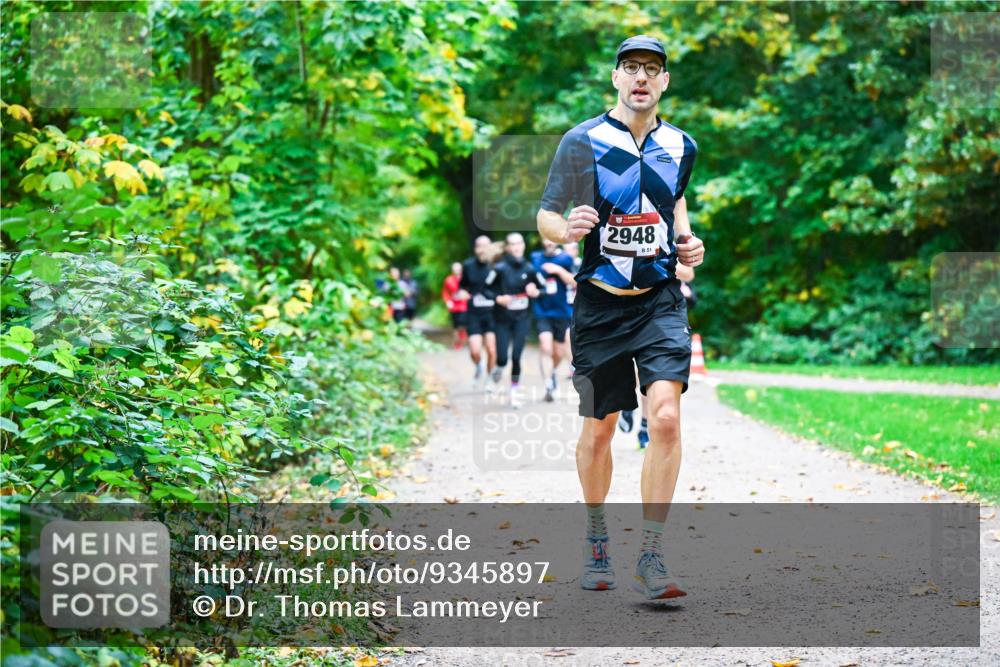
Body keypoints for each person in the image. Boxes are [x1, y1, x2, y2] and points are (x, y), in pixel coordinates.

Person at [536, 35, 705, 600]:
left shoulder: (682, 145)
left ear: (664, 83)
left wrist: (686, 241)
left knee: (666, 420)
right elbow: (545, 215)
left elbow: (674, 198)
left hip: (659, 298)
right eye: (631, 67)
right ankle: (596, 538)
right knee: (600, 429)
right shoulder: (581, 141)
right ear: (615, 77)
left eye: (652, 70)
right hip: (600, 303)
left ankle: (652, 555)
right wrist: (567, 230)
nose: (641, 77)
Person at [620, 262, 696, 449]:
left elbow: (689, 274)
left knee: (650, 377)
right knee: (626, 370)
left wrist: (660, 261)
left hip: (658, 317)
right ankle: (627, 402)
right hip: (622, 312)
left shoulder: (666, 242)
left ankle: (644, 426)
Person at [484, 232, 542, 408]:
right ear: (508, 248)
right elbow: (486, 289)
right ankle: (496, 372)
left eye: (520, 243)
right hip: (502, 319)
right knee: (502, 359)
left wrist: (535, 291)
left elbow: (543, 288)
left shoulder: (530, 269)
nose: (517, 247)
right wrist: (497, 299)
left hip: (522, 319)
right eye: (513, 244)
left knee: (516, 356)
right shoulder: (499, 269)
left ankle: (514, 393)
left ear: (523, 246)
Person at [530, 239, 576, 402]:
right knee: (545, 346)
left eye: (552, 239)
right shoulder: (535, 258)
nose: (548, 242)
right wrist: (530, 288)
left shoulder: (565, 259)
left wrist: (557, 270)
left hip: (562, 311)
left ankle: (552, 372)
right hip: (542, 310)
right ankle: (548, 384)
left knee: (558, 352)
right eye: (546, 239)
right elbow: (529, 278)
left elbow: (574, 281)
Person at [456, 236, 499, 385]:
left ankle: (489, 378)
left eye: (486, 246)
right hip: (474, 313)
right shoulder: (468, 266)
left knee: (492, 350)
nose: (483, 250)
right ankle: (479, 365)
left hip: (492, 313)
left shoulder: (496, 266)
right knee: (474, 350)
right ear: (475, 249)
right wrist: (462, 292)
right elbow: (462, 286)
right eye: (479, 246)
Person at [441, 262, 469, 350]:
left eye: (458, 269)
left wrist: (468, 297)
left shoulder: (466, 279)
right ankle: (457, 342)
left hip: (464, 306)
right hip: (454, 307)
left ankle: (463, 339)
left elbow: (472, 290)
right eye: (455, 269)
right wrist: (448, 301)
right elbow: (445, 293)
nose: (457, 271)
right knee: (456, 326)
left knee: (463, 324)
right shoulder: (448, 280)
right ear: (452, 270)